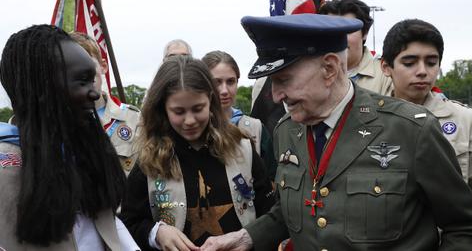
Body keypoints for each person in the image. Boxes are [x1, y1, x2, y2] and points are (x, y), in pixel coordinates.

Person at [200, 14, 472, 251]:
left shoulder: (411, 129)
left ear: (330, 68)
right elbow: (294, 210)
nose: (275, 96)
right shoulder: (287, 131)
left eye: (283, 80)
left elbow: (465, 227)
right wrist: (246, 236)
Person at [0, 25, 138, 250]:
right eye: (82, 81)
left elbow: (109, 227)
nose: (94, 94)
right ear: (41, 88)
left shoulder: (88, 155)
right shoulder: (5, 171)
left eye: (92, 80)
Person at [119, 55, 275, 250]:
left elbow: (270, 213)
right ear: (163, 109)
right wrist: (156, 232)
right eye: (179, 111)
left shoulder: (242, 149)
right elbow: (128, 221)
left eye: (198, 108)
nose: (190, 120)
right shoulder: (151, 160)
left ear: (210, 101)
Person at [380, 19, 472, 196]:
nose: (422, 71)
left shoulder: (466, 120)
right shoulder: (368, 121)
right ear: (386, 67)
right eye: (409, 63)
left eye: (431, 62)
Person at [70, 32, 141, 175]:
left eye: (88, 65)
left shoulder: (134, 119)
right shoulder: (56, 123)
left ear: (103, 66)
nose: (83, 74)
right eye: (73, 68)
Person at [202, 50, 277, 182]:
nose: (224, 90)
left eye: (230, 81)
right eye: (216, 82)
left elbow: (271, 181)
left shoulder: (256, 129)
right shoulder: (192, 129)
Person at [318, 0, 393, 96]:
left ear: (365, 33)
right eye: (332, 31)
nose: (339, 38)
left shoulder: (386, 76)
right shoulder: (309, 73)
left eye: (348, 30)